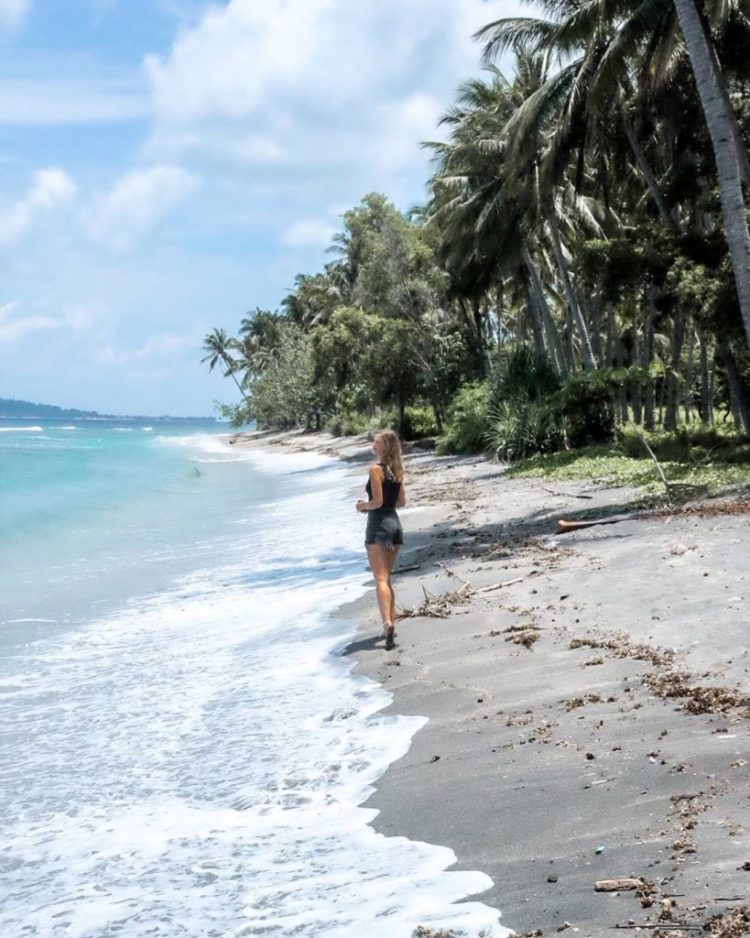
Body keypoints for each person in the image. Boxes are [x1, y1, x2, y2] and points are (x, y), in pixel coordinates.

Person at [355, 429, 406, 650]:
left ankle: (386, 625)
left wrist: (362, 506)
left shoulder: (375, 469)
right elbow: (400, 502)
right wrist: (381, 506)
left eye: (378, 442)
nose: (374, 444)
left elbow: (376, 502)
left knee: (380, 580)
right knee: (387, 578)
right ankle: (392, 618)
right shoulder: (397, 470)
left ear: (386, 447)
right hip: (394, 525)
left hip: (378, 526)